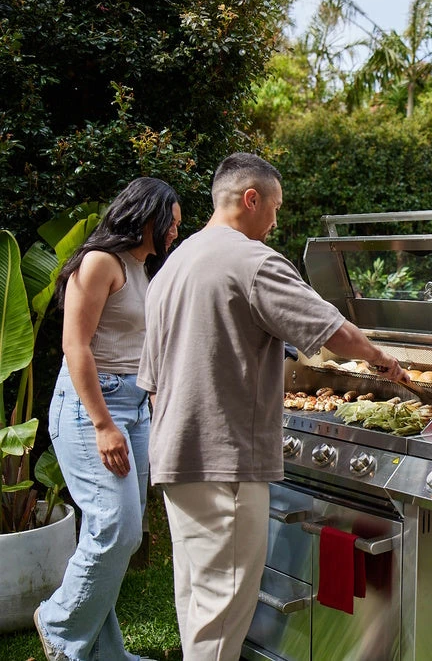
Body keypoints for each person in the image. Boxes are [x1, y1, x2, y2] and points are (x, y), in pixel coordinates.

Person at [137, 153, 407, 660]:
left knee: (196, 596)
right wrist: (380, 358)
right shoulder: (253, 261)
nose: (277, 221)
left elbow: (151, 378)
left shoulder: (174, 264)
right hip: (226, 464)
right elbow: (334, 331)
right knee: (223, 610)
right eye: (276, 207)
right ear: (250, 199)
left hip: (174, 453)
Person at [36, 177, 182, 661]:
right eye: (172, 224)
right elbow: (75, 346)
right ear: (147, 219)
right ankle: (57, 624)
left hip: (133, 406)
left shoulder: (141, 270)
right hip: (90, 409)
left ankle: (104, 655)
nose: (175, 234)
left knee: (121, 532)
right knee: (115, 527)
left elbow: (139, 348)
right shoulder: (101, 262)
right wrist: (103, 425)